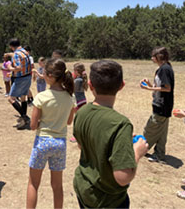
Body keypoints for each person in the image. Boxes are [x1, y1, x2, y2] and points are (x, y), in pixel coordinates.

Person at [73, 60, 148, 208]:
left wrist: (119, 143)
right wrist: (137, 152)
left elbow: (82, 146)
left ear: (90, 85)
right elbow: (123, 177)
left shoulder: (81, 112)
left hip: (83, 188)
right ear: (122, 85)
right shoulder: (120, 124)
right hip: (107, 200)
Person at [26, 58, 75, 209]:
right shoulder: (70, 98)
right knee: (57, 186)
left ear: (49, 76)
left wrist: (44, 123)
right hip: (60, 143)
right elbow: (68, 122)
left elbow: (33, 126)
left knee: (33, 183)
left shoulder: (41, 97)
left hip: (42, 142)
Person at [140, 47, 174, 163]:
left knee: (150, 129)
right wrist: (150, 83)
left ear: (159, 57)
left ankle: (140, 149)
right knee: (162, 132)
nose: (151, 58)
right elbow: (161, 86)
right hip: (164, 106)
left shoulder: (164, 69)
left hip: (162, 106)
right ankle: (159, 155)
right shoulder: (164, 68)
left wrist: (148, 88)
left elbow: (167, 88)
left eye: (153, 56)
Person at [7, 38, 32, 130]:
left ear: (11, 46)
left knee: (10, 98)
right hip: (28, 76)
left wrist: (10, 68)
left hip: (20, 78)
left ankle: (24, 117)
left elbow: (18, 67)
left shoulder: (16, 55)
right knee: (23, 97)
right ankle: (23, 119)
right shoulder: (25, 52)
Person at [70, 63, 88, 143]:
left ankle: (77, 137)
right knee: (80, 119)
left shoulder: (77, 80)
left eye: (74, 70)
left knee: (77, 120)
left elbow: (72, 89)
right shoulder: (80, 79)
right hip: (82, 101)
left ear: (77, 71)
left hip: (78, 102)